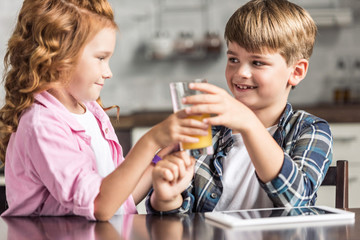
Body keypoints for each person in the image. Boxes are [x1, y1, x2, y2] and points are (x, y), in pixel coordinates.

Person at [0, 0, 209, 221]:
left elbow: (117, 197)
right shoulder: (42, 124)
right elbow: (99, 205)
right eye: (100, 58)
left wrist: (159, 157)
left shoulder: (91, 112)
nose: (108, 72)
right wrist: (151, 140)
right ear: (59, 57)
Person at [147, 0, 333, 214]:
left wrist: (248, 123)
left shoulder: (310, 130)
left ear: (296, 72)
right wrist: (166, 199)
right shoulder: (207, 131)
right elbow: (178, 219)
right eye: (233, 59)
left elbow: (298, 201)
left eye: (257, 62)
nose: (240, 72)